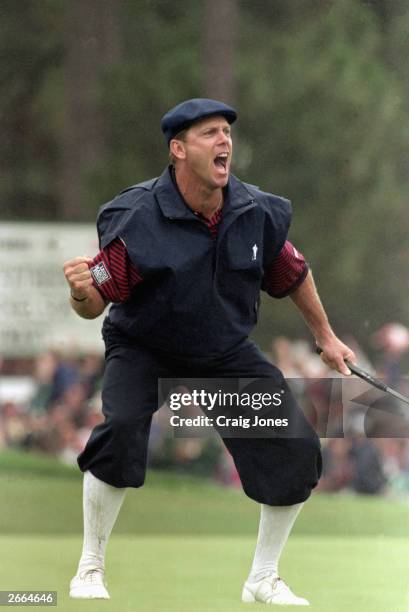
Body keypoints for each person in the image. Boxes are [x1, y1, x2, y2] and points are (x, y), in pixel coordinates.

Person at [63, 98, 356, 606]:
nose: (224, 142)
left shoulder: (254, 210)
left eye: (227, 133)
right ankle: (90, 567)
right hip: (144, 348)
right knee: (122, 431)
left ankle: (262, 578)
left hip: (222, 354)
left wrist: (326, 337)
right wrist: (79, 290)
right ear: (178, 149)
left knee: (295, 447)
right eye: (209, 134)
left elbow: (292, 274)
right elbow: (96, 303)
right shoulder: (135, 218)